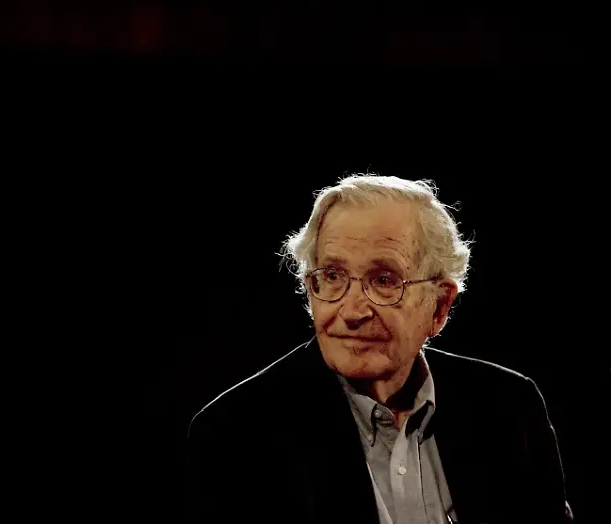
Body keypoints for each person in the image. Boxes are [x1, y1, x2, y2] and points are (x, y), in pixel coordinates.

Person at [186, 174, 572, 523]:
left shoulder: (509, 406)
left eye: (384, 280)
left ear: (439, 307)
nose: (351, 311)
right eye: (332, 277)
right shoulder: (235, 434)